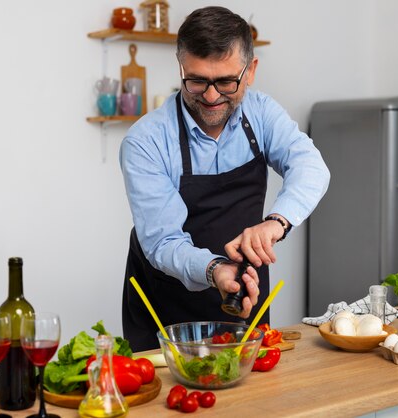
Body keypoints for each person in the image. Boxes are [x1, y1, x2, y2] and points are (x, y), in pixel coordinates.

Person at [119, 6, 330, 351]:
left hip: (244, 292)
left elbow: (311, 166)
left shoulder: (261, 113)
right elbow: (162, 242)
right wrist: (215, 268)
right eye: (197, 80)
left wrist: (275, 223)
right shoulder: (146, 141)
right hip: (167, 305)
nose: (212, 96)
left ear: (251, 71)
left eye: (226, 81)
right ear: (181, 67)